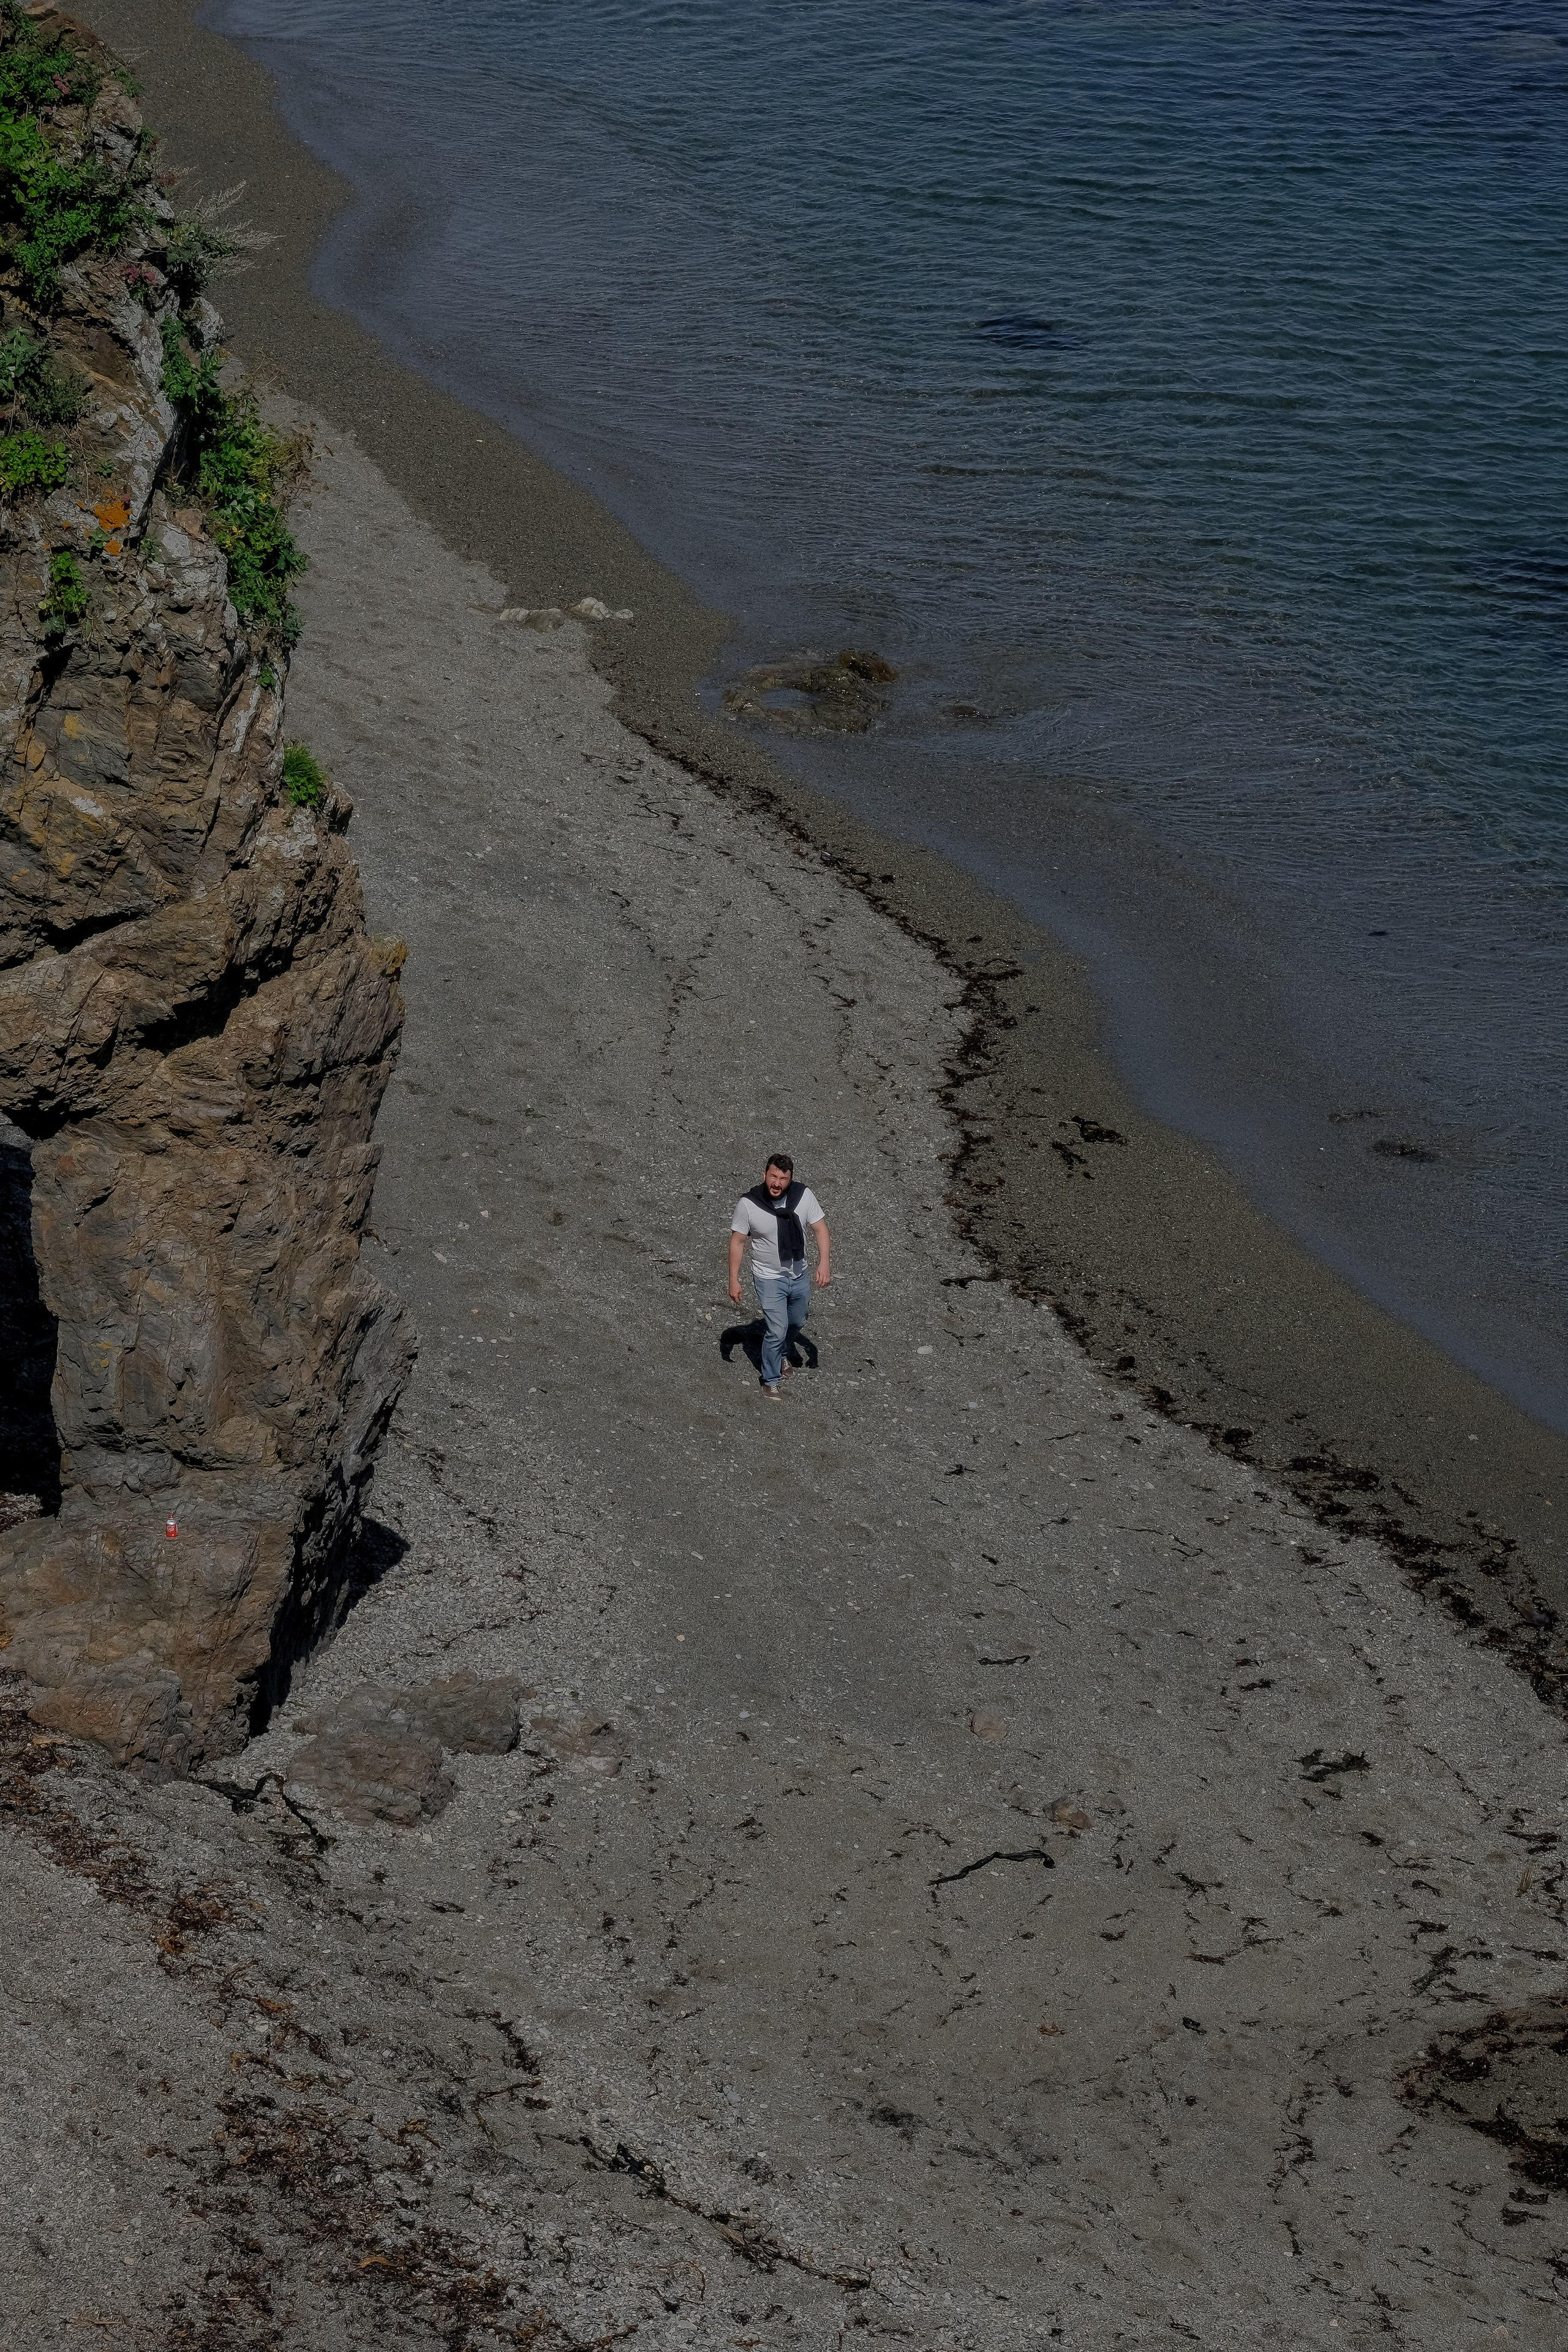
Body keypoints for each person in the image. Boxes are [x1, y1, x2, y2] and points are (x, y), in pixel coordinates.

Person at [728, 1153, 831, 1400]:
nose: (777, 1183)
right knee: (777, 1328)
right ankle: (771, 1380)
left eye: (783, 1179)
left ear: (790, 1180)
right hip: (768, 1277)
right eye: (773, 1176)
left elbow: (820, 1228)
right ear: (765, 1175)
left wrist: (825, 1263)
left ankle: (784, 1350)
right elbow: (738, 1242)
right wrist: (734, 1279)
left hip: (799, 1274)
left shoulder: (803, 1196)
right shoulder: (749, 1204)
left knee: (798, 1321)